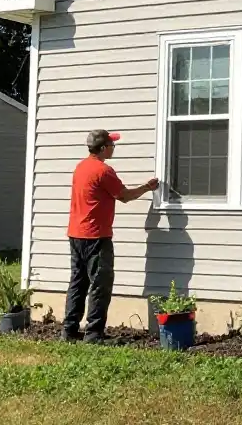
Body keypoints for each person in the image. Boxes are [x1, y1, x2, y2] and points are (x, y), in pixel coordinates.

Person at [63, 129, 158, 343]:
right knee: (100, 284)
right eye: (112, 145)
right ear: (104, 148)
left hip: (76, 234)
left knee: (78, 282)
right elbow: (124, 196)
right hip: (96, 236)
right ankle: (94, 335)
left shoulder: (81, 167)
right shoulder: (103, 171)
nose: (114, 148)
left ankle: (69, 331)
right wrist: (148, 187)